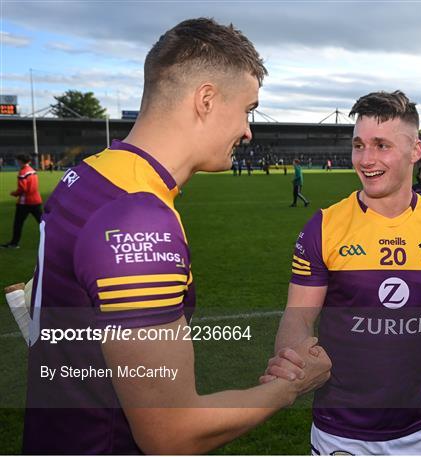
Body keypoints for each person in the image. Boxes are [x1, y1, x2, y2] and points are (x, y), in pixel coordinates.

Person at [21, 18, 331, 454]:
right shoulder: (139, 220)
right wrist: (291, 387)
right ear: (206, 99)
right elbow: (171, 433)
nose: (248, 130)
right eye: (247, 109)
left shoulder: (88, 176)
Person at [261, 91, 421, 455]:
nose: (366, 160)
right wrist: (293, 363)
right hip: (340, 431)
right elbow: (298, 318)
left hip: (418, 426)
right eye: (358, 145)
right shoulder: (323, 227)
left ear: (415, 151)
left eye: (381, 145)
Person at [1, 154, 43, 249]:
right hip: (36, 200)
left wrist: (14, 193)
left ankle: (14, 243)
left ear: (20, 161)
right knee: (43, 223)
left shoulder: (23, 172)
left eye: (18, 160)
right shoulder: (32, 170)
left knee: (18, 224)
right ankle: (56, 239)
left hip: (25, 202)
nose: (17, 162)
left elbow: (23, 189)